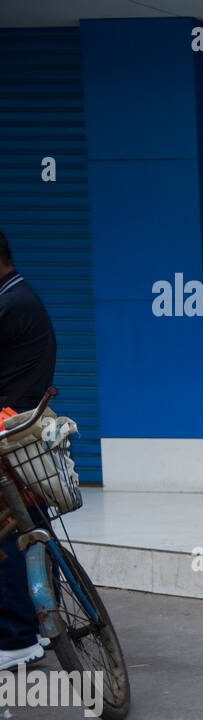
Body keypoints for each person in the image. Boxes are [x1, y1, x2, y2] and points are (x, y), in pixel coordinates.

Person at [0, 229, 58, 670]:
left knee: (9, 536)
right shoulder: (18, 297)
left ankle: (17, 635)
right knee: (31, 528)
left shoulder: (11, 304)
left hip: (11, 432)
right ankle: (42, 623)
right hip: (20, 431)